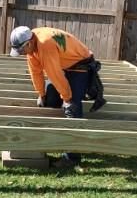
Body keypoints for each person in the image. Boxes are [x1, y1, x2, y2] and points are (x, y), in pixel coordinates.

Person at [9, 26, 105, 169]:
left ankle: (72, 157)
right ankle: (56, 139)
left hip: (80, 64)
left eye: (22, 50)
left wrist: (67, 98)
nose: (22, 54)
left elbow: (55, 75)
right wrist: (41, 94)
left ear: (28, 43)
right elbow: (35, 72)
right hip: (63, 63)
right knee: (50, 99)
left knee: (72, 107)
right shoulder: (32, 47)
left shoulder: (45, 45)